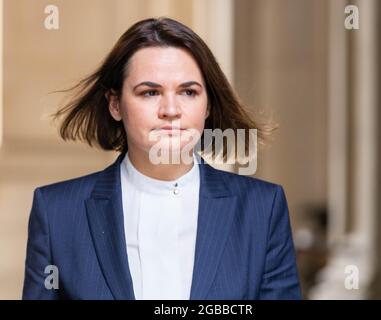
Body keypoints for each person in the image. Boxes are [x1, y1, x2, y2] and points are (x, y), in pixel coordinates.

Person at [22, 17, 301, 300]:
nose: (170, 109)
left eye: (188, 92)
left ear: (207, 106)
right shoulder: (56, 212)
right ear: (115, 104)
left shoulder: (262, 209)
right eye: (150, 92)